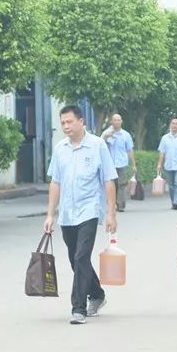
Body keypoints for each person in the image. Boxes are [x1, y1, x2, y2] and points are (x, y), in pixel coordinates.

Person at [44, 105, 118, 325]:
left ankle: (78, 308)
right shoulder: (60, 148)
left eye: (69, 121)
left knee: (81, 257)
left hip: (89, 210)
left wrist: (111, 213)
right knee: (75, 259)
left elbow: (109, 179)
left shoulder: (97, 145)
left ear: (81, 121)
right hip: (67, 213)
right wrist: (50, 215)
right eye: (63, 123)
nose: (66, 126)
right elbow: (55, 182)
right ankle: (97, 294)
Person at [101, 113, 137, 213]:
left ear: (121, 121)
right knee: (111, 185)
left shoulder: (126, 135)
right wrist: (106, 137)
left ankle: (120, 204)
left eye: (118, 120)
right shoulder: (106, 133)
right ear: (111, 122)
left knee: (121, 184)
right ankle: (112, 204)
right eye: (115, 120)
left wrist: (133, 164)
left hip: (122, 163)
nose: (117, 122)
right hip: (110, 164)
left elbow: (130, 150)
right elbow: (99, 145)